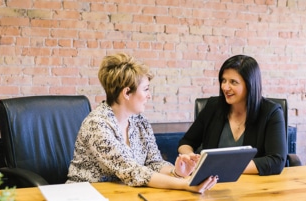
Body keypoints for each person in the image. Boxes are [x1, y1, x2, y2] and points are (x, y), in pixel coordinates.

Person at [66, 53, 218, 193]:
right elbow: (132, 171)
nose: (149, 96)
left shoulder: (140, 122)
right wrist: (185, 184)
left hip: (124, 193)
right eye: (145, 89)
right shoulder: (97, 125)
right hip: (85, 195)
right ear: (126, 93)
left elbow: (154, 162)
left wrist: (177, 172)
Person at [178, 55, 287, 176]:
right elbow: (186, 142)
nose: (225, 87)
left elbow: (276, 161)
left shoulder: (271, 112)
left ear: (250, 85)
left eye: (233, 82)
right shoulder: (213, 107)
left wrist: (223, 166)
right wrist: (189, 156)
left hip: (255, 185)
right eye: (223, 80)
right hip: (212, 184)